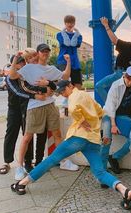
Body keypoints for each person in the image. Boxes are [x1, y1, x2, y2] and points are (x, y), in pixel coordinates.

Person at [10, 80, 131, 210]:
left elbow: (72, 109)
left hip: (78, 137)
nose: (63, 94)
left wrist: (81, 120)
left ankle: (22, 183)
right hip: (92, 140)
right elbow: (100, 111)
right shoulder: (87, 95)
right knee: (99, 172)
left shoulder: (74, 96)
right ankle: (125, 191)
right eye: (60, 93)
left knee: (52, 159)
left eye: (63, 90)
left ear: (70, 86)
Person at [9, 43, 79, 180]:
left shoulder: (50, 69)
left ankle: (63, 161)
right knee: (27, 137)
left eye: (47, 51)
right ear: (38, 53)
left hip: (50, 104)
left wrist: (69, 62)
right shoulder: (29, 68)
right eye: (42, 51)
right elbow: (12, 76)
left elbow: (65, 76)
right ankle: (20, 167)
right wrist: (15, 59)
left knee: (57, 134)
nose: (45, 54)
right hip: (34, 106)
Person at [95, 17, 131, 105]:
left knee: (98, 86)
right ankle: (114, 105)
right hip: (122, 74)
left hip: (119, 74)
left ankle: (110, 106)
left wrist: (106, 25)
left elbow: (115, 40)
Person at [56, 15, 83, 89]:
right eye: (68, 22)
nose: (70, 24)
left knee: (78, 84)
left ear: (74, 23)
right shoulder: (59, 34)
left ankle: (75, 99)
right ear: (65, 23)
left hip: (75, 62)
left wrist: (75, 34)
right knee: (64, 84)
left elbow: (76, 44)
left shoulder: (79, 36)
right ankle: (66, 100)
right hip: (63, 61)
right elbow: (65, 43)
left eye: (72, 22)